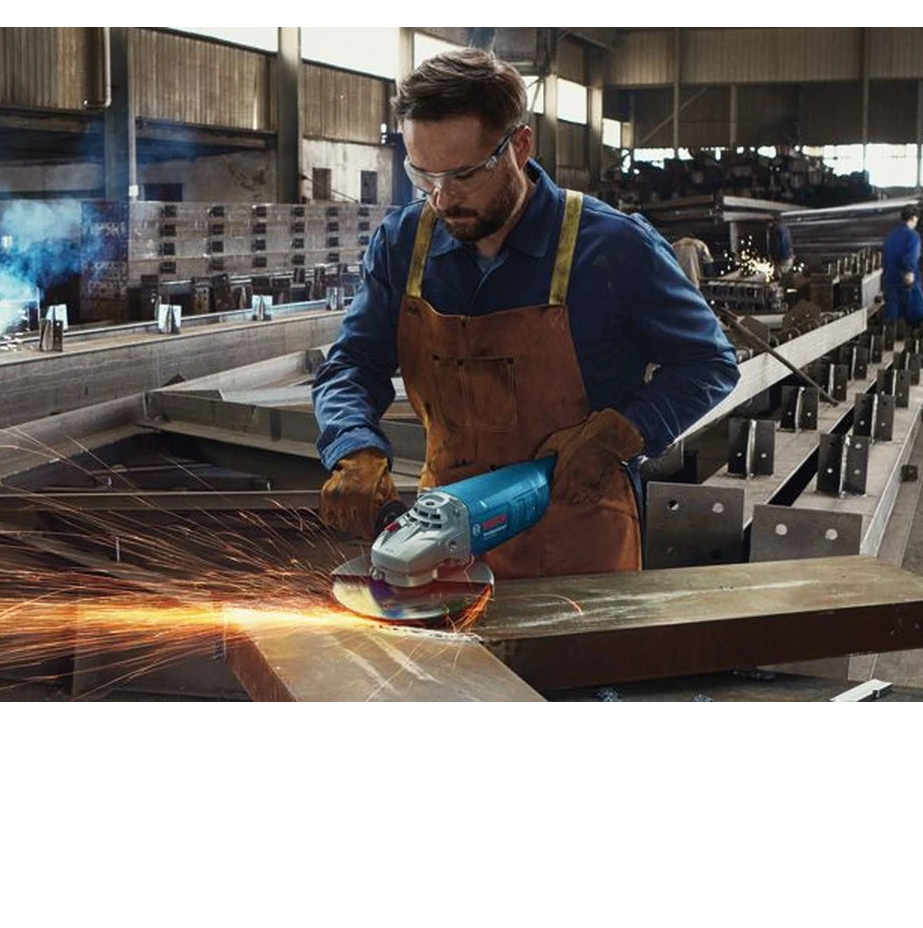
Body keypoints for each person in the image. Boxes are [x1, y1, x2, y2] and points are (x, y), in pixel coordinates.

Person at [311, 49, 740, 579]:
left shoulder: (612, 248)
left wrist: (624, 432)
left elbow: (710, 363)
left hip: (582, 539)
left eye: (464, 175)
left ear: (519, 145)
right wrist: (353, 446)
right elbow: (352, 364)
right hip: (443, 539)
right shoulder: (403, 245)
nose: (442, 199)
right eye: (424, 176)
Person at [881, 204, 923, 327]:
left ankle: (891, 335)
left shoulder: (890, 236)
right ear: (913, 218)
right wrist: (909, 273)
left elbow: (885, 257)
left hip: (890, 280)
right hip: (906, 282)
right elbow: (911, 257)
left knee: (892, 319)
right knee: (917, 316)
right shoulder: (913, 236)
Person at [768, 213, 794, 280]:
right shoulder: (785, 228)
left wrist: (774, 258)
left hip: (782, 258)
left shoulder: (775, 230)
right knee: (785, 277)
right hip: (789, 257)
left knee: (780, 277)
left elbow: (777, 245)